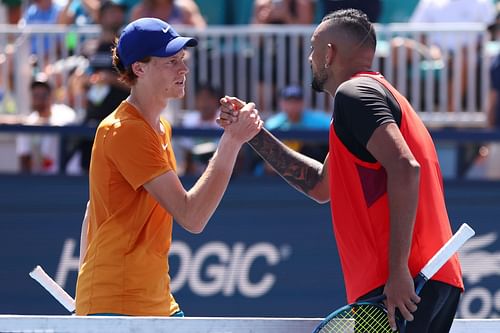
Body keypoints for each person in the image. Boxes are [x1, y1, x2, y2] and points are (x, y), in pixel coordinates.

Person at [220, 9, 463, 332]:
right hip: (425, 278)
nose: (309, 57)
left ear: (329, 53)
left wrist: (398, 270)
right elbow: (321, 186)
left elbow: (405, 168)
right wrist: (254, 135)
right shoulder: (374, 96)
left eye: (313, 47)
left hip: (402, 283)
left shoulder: (354, 95)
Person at [75, 17, 262, 316]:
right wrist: (231, 142)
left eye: (182, 59)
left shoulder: (159, 127)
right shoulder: (126, 129)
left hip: (151, 301)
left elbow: (91, 210)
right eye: (172, 61)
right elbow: (192, 216)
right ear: (139, 68)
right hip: (117, 304)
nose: (184, 69)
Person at [16, 75, 76, 174]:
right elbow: (24, 157)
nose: (39, 98)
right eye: (35, 94)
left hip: (63, 177)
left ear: (51, 95)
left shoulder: (64, 113)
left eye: (43, 94)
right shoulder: (29, 122)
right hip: (38, 180)